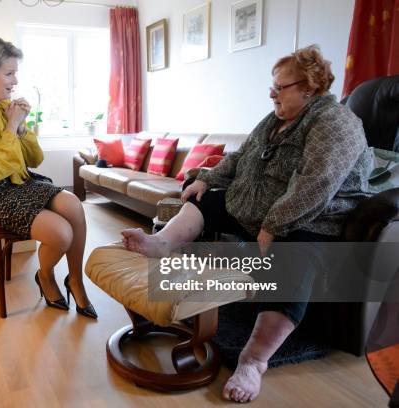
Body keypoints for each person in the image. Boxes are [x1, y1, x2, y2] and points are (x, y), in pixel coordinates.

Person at [121, 45, 374, 402]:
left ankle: (254, 361)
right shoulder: (274, 120)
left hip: (311, 219)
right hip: (259, 208)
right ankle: (162, 242)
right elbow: (240, 158)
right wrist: (206, 178)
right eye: (273, 86)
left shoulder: (336, 123)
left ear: (310, 87)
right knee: (202, 199)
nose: (272, 93)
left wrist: (273, 225)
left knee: (291, 256)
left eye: (280, 87)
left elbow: (315, 184)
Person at [0, 37, 97, 319]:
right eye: (9, 73)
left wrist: (19, 127)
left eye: (15, 72)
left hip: (20, 180)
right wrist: (12, 124)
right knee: (61, 234)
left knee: (74, 206)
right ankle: (45, 276)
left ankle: (76, 281)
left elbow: (35, 158)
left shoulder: (7, 107)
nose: (15, 80)